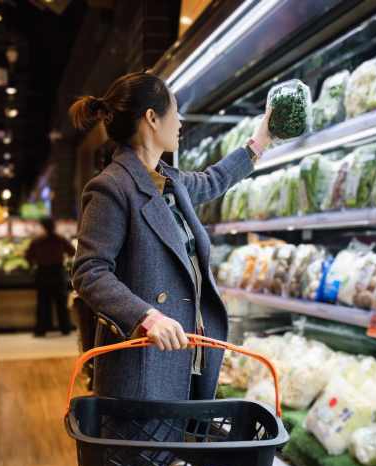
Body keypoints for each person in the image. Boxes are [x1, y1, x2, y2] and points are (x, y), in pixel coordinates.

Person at [70, 72, 273, 404]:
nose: (179, 121)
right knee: (147, 454)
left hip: (184, 358)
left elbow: (214, 180)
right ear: (152, 118)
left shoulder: (169, 181)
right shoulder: (110, 187)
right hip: (143, 365)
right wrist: (146, 317)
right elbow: (89, 272)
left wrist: (261, 140)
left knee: (177, 450)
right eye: (174, 111)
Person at [26, 217, 75, 337]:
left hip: (43, 273)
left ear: (43, 227)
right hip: (58, 272)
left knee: (42, 303)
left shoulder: (37, 241)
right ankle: (65, 328)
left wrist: (33, 264)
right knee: (61, 303)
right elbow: (72, 251)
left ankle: (41, 329)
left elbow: (28, 256)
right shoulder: (60, 239)